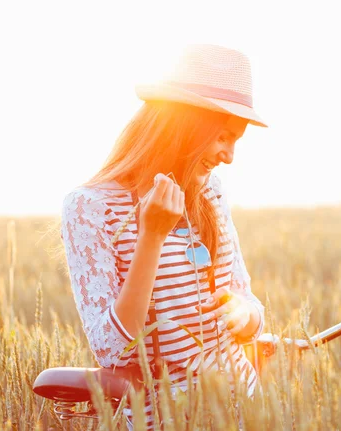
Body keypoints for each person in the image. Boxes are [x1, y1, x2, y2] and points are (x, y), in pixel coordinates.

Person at [59, 44, 267, 430]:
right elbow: (112, 349)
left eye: (236, 140)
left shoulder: (210, 192)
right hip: (169, 419)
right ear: (185, 126)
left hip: (248, 409)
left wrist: (247, 316)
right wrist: (151, 237)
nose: (230, 155)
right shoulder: (91, 208)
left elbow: (247, 298)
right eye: (223, 137)